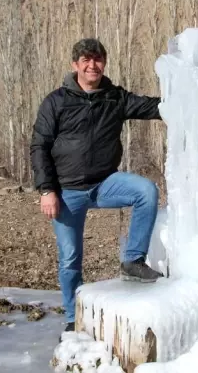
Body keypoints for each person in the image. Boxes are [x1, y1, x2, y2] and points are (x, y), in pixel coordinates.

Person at [30, 38, 164, 334]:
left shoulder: (114, 97)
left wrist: (188, 98)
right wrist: (46, 190)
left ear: (104, 62)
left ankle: (132, 260)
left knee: (146, 192)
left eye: (98, 59)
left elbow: (151, 107)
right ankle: (71, 316)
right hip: (66, 192)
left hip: (105, 184)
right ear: (75, 65)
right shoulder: (57, 101)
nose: (93, 65)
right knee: (70, 259)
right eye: (86, 60)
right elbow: (39, 146)